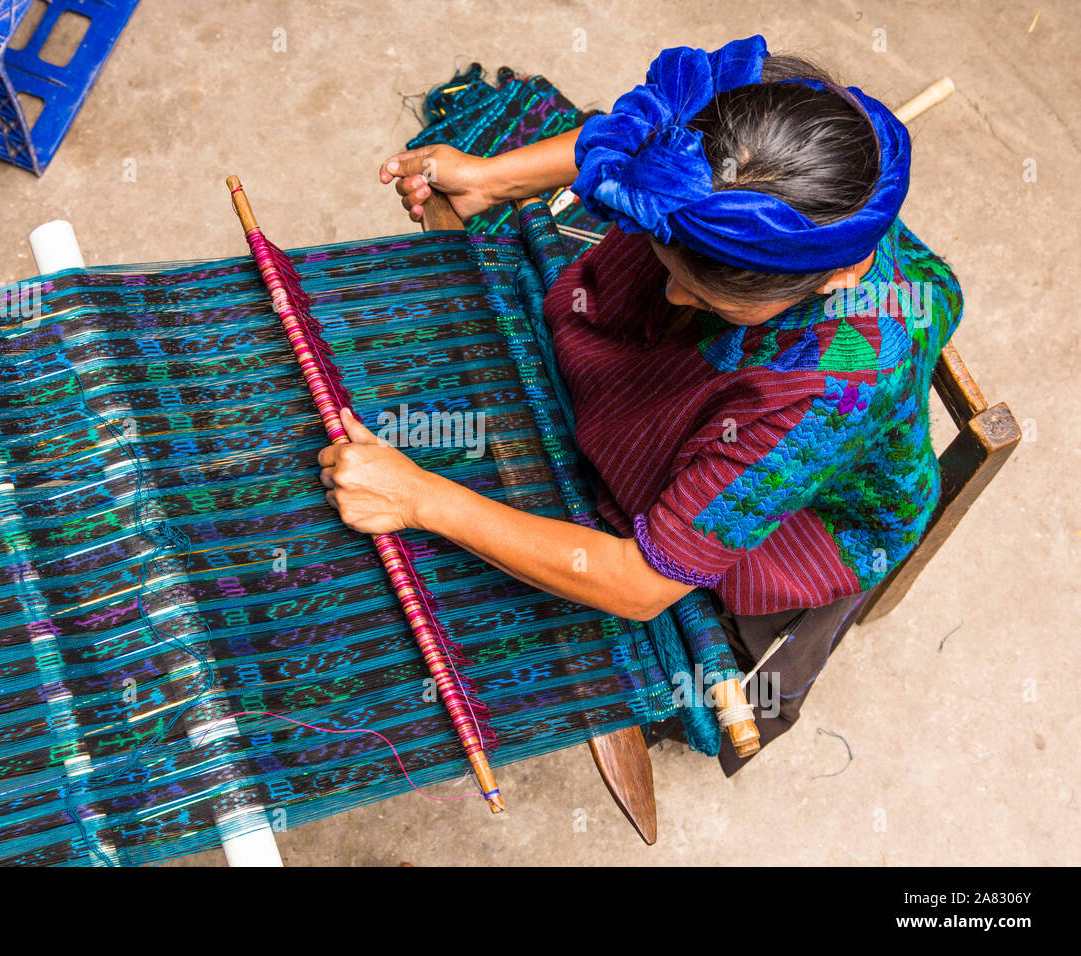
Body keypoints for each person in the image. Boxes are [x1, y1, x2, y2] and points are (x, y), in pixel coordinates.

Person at [321, 35, 961, 771]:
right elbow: (634, 149)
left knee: (667, 519)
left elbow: (637, 585)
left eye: (700, 290)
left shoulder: (829, 386)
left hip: (818, 516)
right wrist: (493, 180)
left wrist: (420, 498)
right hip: (780, 356)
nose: (670, 294)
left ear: (826, 281)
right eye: (667, 263)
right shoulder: (780, 145)